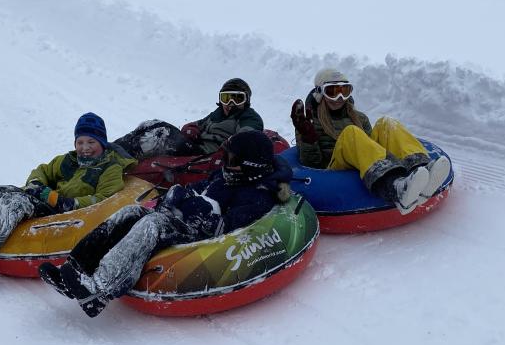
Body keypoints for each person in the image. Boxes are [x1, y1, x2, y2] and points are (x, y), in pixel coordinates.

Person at [39, 130, 291, 319]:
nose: (225, 163)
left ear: (250, 165)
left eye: (232, 159)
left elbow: (225, 226)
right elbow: (198, 188)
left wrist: (188, 204)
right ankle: (77, 266)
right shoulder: (228, 176)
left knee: (152, 225)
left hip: (200, 230)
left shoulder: (257, 195)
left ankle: (99, 290)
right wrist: (179, 194)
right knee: (129, 212)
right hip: (186, 215)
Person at [0, 113, 135, 283]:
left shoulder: (110, 168)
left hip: (65, 210)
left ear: (102, 143)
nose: (85, 148)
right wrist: (37, 185)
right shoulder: (67, 160)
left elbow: (104, 198)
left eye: (91, 142)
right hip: (44, 199)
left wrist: (62, 200)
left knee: (13, 203)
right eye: (80, 142)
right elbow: (42, 171)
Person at [291, 67, 450, 213]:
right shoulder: (310, 121)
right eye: (332, 91)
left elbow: (370, 148)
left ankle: (421, 169)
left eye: (345, 91)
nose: (339, 97)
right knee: (351, 133)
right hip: (335, 169)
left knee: (386, 123)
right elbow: (311, 165)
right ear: (319, 94)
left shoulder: (359, 117)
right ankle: (394, 188)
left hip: (361, 162)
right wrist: (307, 137)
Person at [112, 77, 264, 159]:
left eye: (237, 99)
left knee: (161, 134)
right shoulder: (217, 114)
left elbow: (247, 136)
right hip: (193, 145)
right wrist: (190, 128)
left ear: (246, 100)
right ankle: (112, 149)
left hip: (205, 155)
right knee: (151, 124)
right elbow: (196, 124)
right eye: (226, 98)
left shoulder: (249, 117)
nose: (230, 104)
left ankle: (122, 157)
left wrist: (229, 145)